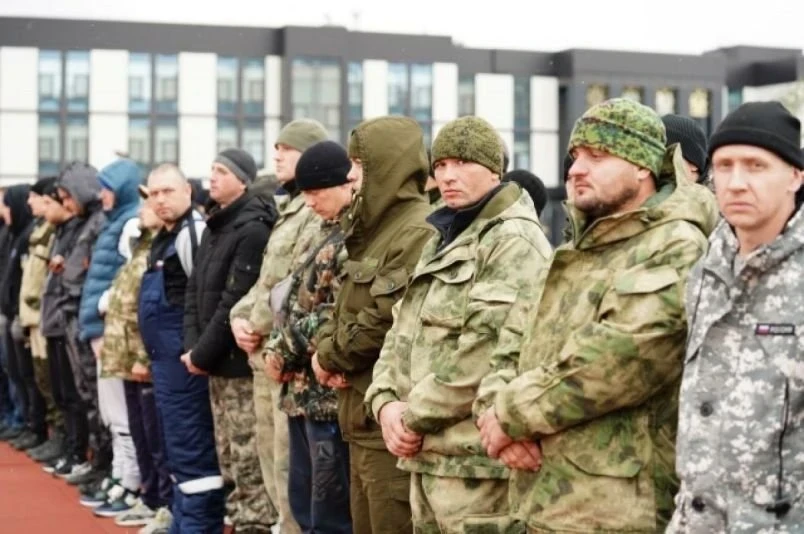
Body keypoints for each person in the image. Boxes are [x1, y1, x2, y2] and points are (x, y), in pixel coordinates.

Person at [478, 98, 718, 532]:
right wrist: (493, 412)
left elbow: (621, 359)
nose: (576, 169)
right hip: (539, 501)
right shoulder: (574, 249)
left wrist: (509, 414)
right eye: (575, 156)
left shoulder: (676, 245)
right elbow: (511, 342)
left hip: (613, 512)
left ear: (642, 166)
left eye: (597, 156)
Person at [366, 116, 553, 532]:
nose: (448, 176)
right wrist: (384, 403)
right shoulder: (443, 237)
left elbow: (484, 355)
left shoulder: (513, 239)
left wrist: (410, 417)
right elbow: (401, 330)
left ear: (494, 169)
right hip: (428, 457)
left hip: (477, 467)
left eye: (462, 163)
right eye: (440, 165)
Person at [669, 102, 804, 531]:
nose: (737, 182)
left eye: (756, 166)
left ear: (795, 175)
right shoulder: (707, 268)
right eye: (724, 166)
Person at [312, 116, 435, 534]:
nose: (350, 175)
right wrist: (325, 352)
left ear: (388, 169)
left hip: (386, 424)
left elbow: (382, 321)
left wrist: (328, 358)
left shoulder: (416, 231)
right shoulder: (372, 231)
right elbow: (339, 309)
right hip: (359, 418)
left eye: (360, 166)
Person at [230, 118, 329, 534]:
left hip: (287, 358)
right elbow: (265, 281)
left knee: (292, 470)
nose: (277, 156)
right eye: (276, 149)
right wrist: (240, 316)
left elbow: (296, 284)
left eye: (287, 149)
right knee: (271, 460)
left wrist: (256, 322)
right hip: (263, 353)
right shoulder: (289, 209)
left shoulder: (314, 211)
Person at [182, 148, 278, 533]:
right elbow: (194, 292)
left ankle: (254, 524)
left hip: (238, 365)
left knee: (246, 456)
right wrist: (193, 348)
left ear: (243, 180)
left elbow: (233, 301)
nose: (213, 177)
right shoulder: (215, 225)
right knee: (227, 454)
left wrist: (201, 353)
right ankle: (238, 519)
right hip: (213, 361)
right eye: (212, 169)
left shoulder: (253, 229)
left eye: (222, 171)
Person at [264, 140, 355, 533]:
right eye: (305, 193)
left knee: (330, 512)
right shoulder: (320, 230)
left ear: (345, 184)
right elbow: (290, 299)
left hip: (328, 398)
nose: (311, 201)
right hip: (301, 395)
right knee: (303, 503)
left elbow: (336, 312)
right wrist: (275, 346)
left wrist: (282, 350)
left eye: (318, 192)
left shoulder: (353, 237)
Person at [137, 163, 214, 534]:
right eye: (153, 193)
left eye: (167, 191)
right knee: (175, 446)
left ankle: (198, 524)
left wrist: (196, 351)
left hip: (185, 363)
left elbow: (205, 298)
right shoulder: (162, 237)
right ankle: (183, 519)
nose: (160, 200)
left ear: (188, 191)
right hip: (163, 362)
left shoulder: (194, 234)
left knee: (192, 445)